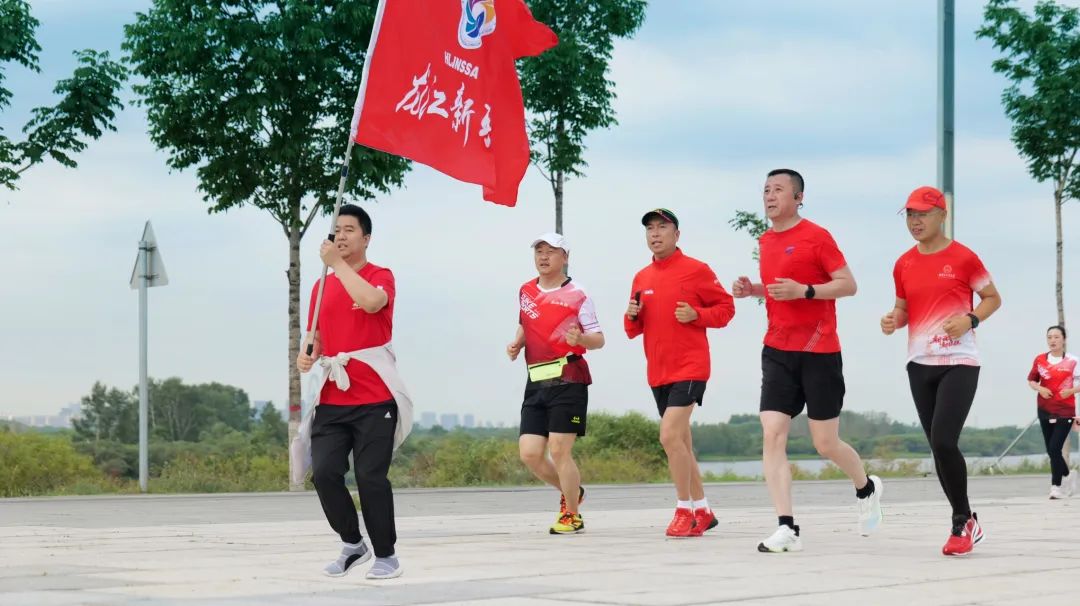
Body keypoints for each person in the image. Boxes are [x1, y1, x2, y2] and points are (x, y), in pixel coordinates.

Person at [732, 169, 883, 554]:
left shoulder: (817, 236)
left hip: (819, 351)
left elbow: (848, 284)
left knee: (825, 443)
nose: (769, 196)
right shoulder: (766, 240)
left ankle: (866, 487)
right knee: (772, 433)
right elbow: (779, 290)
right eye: (766, 190)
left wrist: (806, 290)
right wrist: (754, 290)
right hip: (777, 350)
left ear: (799, 197)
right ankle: (786, 527)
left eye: (778, 190)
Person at [881, 185, 1001, 556]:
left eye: (922, 214)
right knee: (938, 446)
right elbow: (903, 308)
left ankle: (960, 521)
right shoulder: (903, 263)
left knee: (945, 440)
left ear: (942, 215)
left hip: (959, 361)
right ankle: (966, 519)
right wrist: (893, 319)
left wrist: (970, 319)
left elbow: (992, 298)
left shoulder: (964, 258)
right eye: (910, 215)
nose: (915, 221)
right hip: (920, 364)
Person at [296, 204, 405, 579]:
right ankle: (353, 543)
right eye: (336, 230)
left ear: (366, 238)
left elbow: (374, 303)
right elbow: (315, 336)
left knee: (371, 477)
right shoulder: (320, 286)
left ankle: (387, 555)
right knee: (324, 473)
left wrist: (337, 266)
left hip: (375, 397)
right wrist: (307, 354)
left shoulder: (380, 276)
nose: (340, 236)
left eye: (348, 230)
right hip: (333, 397)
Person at [625, 208, 735, 537]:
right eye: (650, 229)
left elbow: (726, 309)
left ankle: (684, 510)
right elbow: (632, 330)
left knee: (669, 436)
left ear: (676, 234)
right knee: (682, 443)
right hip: (658, 371)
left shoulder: (697, 270)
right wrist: (631, 315)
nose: (655, 233)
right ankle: (703, 510)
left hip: (691, 366)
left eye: (662, 227)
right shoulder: (641, 278)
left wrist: (697, 314)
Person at [508, 233, 604, 534]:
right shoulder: (525, 290)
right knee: (530, 453)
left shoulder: (578, 294)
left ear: (565, 257)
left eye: (551, 251)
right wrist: (518, 343)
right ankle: (573, 490)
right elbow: (526, 323)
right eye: (539, 251)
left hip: (569, 378)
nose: (544, 257)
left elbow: (599, 339)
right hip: (536, 379)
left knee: (560, 449)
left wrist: (581, 339)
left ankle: (572, 515)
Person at [1026, 325, 1080, 499]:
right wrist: (1040, 388)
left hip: (1065, 410)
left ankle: (1056, 487)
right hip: (1044, 408)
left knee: (1055, 448)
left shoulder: (1073, 361)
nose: (1052, 340)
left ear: (1064, 339)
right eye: (1049, 337)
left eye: (1056, 337)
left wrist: (1071, 391)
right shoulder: (1040, 360)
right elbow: (1031, 380)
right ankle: (1068, 476)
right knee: (1051, 450)